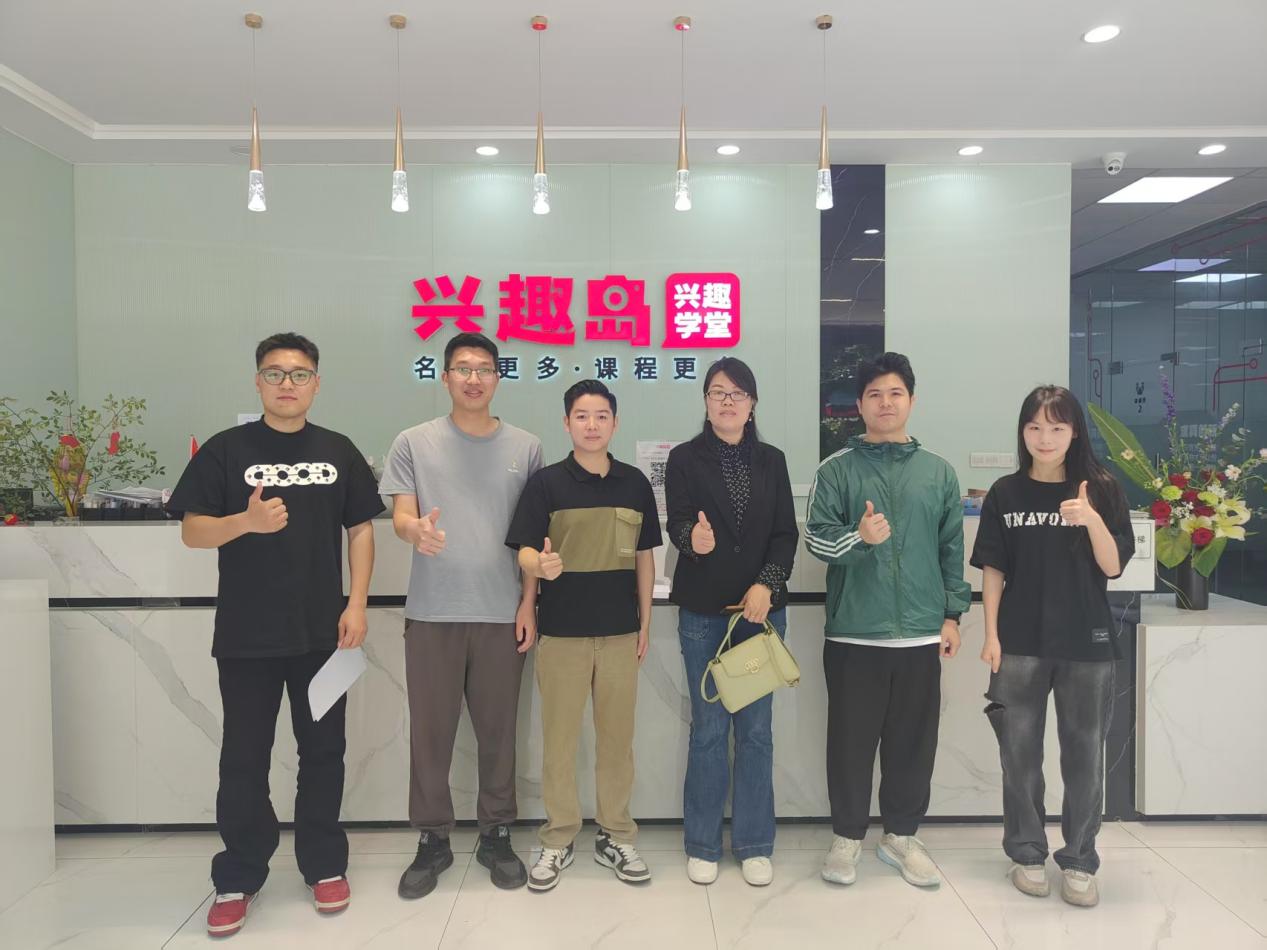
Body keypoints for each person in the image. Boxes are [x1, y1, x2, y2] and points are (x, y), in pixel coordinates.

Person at [167, 332, 385, 937]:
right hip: (247, 636)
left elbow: (362, 530)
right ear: (257, 381)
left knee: (324, 754)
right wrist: (246, 521)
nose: (287, 384)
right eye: (275, 373)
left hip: (324, 634)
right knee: (244, 757)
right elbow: (192, 531)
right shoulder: (226, 450)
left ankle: (324, 864)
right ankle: (238, 874)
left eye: (299, 373)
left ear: (317, 383)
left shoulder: (338, 450)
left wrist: (357, 603)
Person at [378, 331, 543, 898]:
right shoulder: (413, 442)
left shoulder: (527, 447)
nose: (474, 378)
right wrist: (414, 530)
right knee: (431, 733)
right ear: (444, 376)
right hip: (432, 612)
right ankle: (433, 838)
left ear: (498, 377)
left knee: (500, 732)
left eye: (484, 369)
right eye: (463, 368)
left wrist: (528, 603)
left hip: (502, 613)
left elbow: (533, 536)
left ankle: (497, 832)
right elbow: (402, 515)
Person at [805, 351, 971, 889]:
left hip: (921, 633)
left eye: (895, 393)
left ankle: (900, 836)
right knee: (849, 744)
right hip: (855, 632)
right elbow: (816, 539)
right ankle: (847, 837)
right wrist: (859, 538)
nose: (885, 403)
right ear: (859, 405)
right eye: (874, 394)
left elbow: (951, 550)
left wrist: (952, 615)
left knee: (913, 744)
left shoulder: (938, 472)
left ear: (911, 401)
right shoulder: (836, 469)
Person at [971, 385, 1134, 908]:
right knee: (1018, 755)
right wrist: (991, 635)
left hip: (1087, 643)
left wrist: (1091, 520)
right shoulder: (1005, 493)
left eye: (1057, 427)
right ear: (1023, 432)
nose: (1045, 438)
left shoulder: (1102, 489)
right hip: (1019, 642)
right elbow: (993, 570)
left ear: (1074, 432)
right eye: (1035, 427)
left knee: (1084, 755)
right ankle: (1025, 853)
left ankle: (1080, 860)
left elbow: (1113, 566)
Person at [505, 379, 662, 892]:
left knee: (617, 742)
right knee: (560, 742)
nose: (591, 425)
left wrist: (645, 622)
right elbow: (526, 551)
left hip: (619, 634)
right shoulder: (546, 484)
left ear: (615, 423)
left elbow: (645, 557)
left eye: (601, 416)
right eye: (581, 416)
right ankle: (558, 837)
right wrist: (532, 588)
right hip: (562, 633)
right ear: (566, 422)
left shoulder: (635, 484)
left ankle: (616, 834)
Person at [664, 357, 798, 887]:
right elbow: (677, 522)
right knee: (709, 730)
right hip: (704, 615)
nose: (727, 401)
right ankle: (702, 843)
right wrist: (690, 540)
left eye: (737, 393)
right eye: (718, 392)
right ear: (705, 401)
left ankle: (754, 843)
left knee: (757, 732)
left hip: (759, 616)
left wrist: (766, 584)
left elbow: (785, 534)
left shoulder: (772, 460)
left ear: (752, 403)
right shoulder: (684, 458)